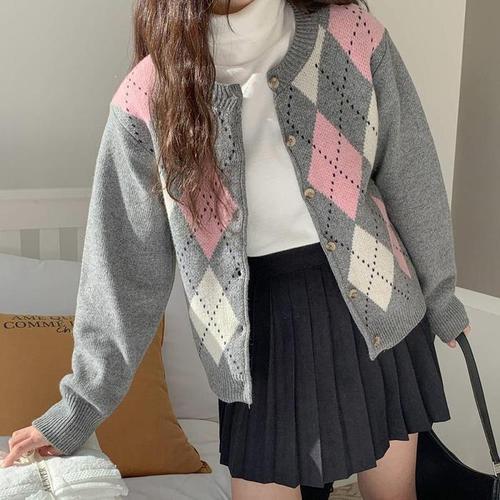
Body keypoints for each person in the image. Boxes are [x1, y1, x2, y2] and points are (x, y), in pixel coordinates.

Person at [2, 0, 472, 499]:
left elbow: (410, 171)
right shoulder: (149, 95)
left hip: (374, 305)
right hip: (255, 339)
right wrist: (79, 406)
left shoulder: (351, 34)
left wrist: (440, 295)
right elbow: (123, 268)